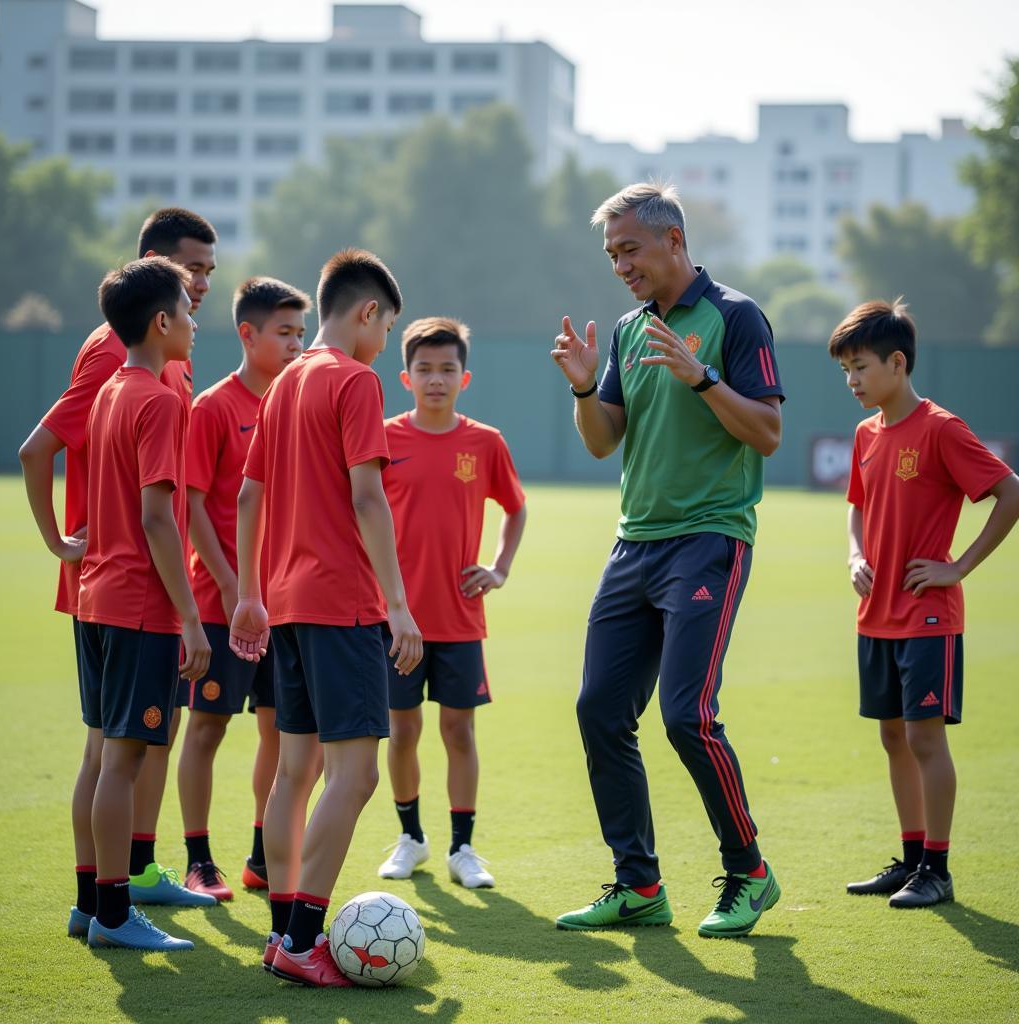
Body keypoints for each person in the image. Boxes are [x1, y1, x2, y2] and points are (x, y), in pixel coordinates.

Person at [550, 182, 785, 938]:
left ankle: (749, 871)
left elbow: (768, 434)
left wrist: (702, 376)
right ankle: (639, 885)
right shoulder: (626, 329)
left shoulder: (736, 317)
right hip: (634, 545)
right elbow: (600, 439)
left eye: (631, 249)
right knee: (598, 711)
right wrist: (586, 384)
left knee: (687, 715)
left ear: (674, 241)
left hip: (709, 539)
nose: (620, 264)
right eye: (612, 253)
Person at [229, 249, 423, 986]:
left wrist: (250, 592)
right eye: (386, 327)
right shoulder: (353, 380)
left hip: (284, 603)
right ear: (369, 313)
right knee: (355, 774)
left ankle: (282, 930)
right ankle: (305, 939)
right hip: (341, 602)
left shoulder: (280, 386)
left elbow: (249, 499)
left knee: (294, 771)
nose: (382, 344)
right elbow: (368, 498)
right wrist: (399, 606)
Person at [18, 209, 218, 921]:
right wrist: (58, 541)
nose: (200, 291)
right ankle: (111, 902)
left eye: (207, 274)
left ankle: (112, 887)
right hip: (133, 588)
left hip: (119, 583)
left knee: (121, 747)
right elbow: (42, 450)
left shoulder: (154, 367)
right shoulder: (118, 362)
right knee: (114, 751)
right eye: (191, 272)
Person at [830, 299, 1019, 908]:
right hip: (876, 613)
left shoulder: (941, 428)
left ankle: (937, 869)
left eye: (860, 367)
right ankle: (911, 860)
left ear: (898, 363)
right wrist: (854, 556)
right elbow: (857, 507)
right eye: (846, 372)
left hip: (928, 615)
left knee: (925, 740)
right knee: (892, 736)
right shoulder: (865, 434)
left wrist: (958, 566)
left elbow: (1009, 492)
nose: (853, 381)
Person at [74, 258, 213, 949]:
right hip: (137, 607)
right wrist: (190, 617)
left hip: (96, 597)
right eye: (188, 310)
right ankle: (112, 913)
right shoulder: (159, 399)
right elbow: (158, 518)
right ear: (162, 323)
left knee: (102, 758)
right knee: (123, 762)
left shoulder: (109, 392)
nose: (195, 321)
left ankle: (89, 904)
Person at [376, 317, 527, 889]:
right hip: (397, 620)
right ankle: (411, 838)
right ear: (405, 377)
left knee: (459, 732)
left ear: (465, 378)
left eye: (447, 369)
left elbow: (515, 507)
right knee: (403, 729)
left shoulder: (485, 442)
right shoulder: (384, 439)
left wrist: (500, 567)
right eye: (424, 369)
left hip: (461, 616)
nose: (435, 379)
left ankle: (464, 849)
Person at [177, 277, 311, 901]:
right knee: (206, 728)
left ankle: (262, 850)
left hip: (280, 603)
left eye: (300, 333)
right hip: (219, 603)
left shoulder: (296, 402)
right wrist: (234, 589)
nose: (295, 344)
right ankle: (198, 858)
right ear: (247, 334)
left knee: (279, 731)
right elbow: (194, 506)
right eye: (283, 333)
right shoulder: (213, 407)